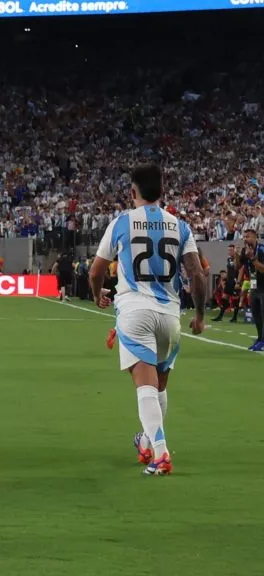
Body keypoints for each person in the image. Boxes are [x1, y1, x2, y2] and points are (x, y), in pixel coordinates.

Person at [89, 163, 206, 477]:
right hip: (170, 317)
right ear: (162, 191)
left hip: (135, 312)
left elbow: (96, 271)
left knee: (145, 386)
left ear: (132, 191)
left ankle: (161, 453)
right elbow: (196, 274)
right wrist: (199, 315)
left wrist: (97, 294)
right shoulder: (180, 226)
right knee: (159, 386)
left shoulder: (121, 223)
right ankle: (146, 441)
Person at [238, 229, 264, 350]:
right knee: (256, 313)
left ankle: (263, 341)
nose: (245, 239)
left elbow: (262, 269)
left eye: (247, 237)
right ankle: (260, 339)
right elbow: (239, 266)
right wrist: (237, 255)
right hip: (254, 284)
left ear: (254, 237)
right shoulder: (245, 250)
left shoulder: (262, 249)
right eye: (244, 237)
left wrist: (253, 258)